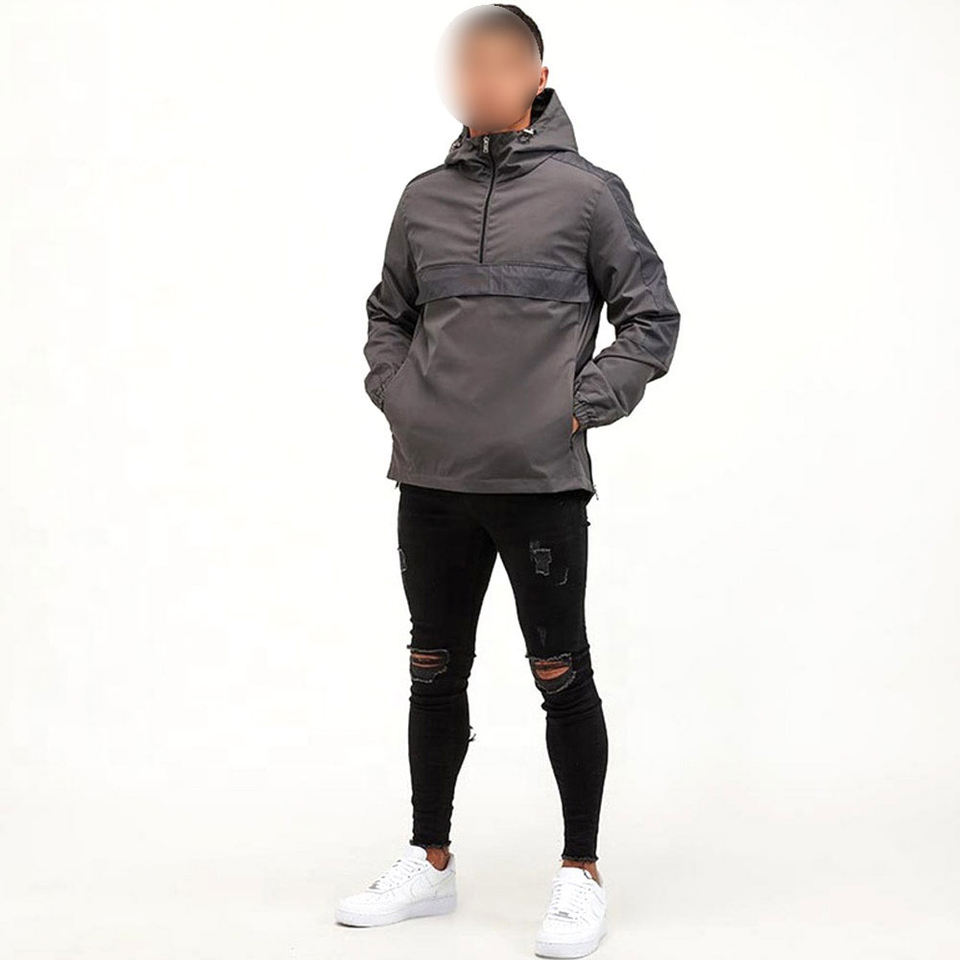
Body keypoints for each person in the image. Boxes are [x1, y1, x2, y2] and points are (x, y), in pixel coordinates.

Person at [336, 5, 681, 956]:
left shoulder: (589, 195)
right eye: (464, 64)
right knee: (432, 669)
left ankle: (580, 873)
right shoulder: (421, 198)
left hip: (539, 482)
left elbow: (651, 318)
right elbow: (388, 313)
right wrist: (401, 397)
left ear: (537, 74)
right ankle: (430, 859)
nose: (479, 79)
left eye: (499, 62)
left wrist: (578, 407)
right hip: (431, 480)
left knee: (560, 673)